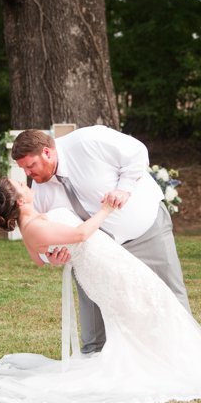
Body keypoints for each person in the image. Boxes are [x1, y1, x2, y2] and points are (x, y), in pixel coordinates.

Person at [0, 178, 201, 403]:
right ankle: (169, 362)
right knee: (145, 305)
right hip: (103, 266)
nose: (24, 184)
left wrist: (54, 256)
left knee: (150, 302)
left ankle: (171, 356)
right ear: (19, 200)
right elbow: (79, 233)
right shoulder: (33, 226)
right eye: (18, 186)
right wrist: (106, 209)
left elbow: (39, 257)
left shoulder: (31, 221)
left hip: (103, 262)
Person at [11, 126, 188, 354]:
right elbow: (46, 233)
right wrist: (53, 256)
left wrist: (124, 189)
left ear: (46, 152)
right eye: (23, 169)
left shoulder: (88, 140)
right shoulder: (40, 190)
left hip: (146, 228)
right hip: (99, 250)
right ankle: (94, 354)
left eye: (30, 166)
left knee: (169, 288)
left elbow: (137, 152)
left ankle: (187, 350)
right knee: (90, 292)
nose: (28, 174)